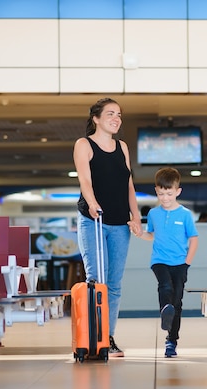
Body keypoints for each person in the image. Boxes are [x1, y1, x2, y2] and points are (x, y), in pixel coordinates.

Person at [73, 97, 142, 358]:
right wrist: (92, 204)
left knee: (114, 284)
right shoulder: (84, 145)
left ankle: (108, 337)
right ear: (96, 119)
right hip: (94, 221)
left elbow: (129, 185)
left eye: (119, 115)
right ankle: (93, 336)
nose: (116, 118)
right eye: (111, 113)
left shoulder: (122, 147)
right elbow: (85, 180)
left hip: (119, 224)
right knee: (96, 281)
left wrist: (135, 216)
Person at [132, 167, 199, 358]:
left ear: (178, 191)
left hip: (180, 263)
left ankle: (171, 340)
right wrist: (139, 234)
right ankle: (164, 309)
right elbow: (151, 235)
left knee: (177, 303)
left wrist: (187, 263)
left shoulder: (185, 214)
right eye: (161, 194)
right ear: (156, 191)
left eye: (169, 193)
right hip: (159, 260)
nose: (165, 198)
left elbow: (194, 239)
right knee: (165, 286)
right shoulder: (153, 214)